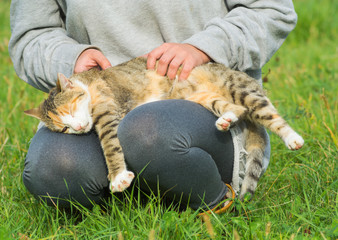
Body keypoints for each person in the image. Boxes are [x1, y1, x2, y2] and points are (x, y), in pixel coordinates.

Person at [9, 0, 297, 211]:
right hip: (98, 112)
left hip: (198, 102)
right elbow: (31, 34)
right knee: (53, 169)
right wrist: (71, 57)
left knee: (146, 131)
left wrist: (205, 47)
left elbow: (272, 10)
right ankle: (132, 200)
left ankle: (216, 198)